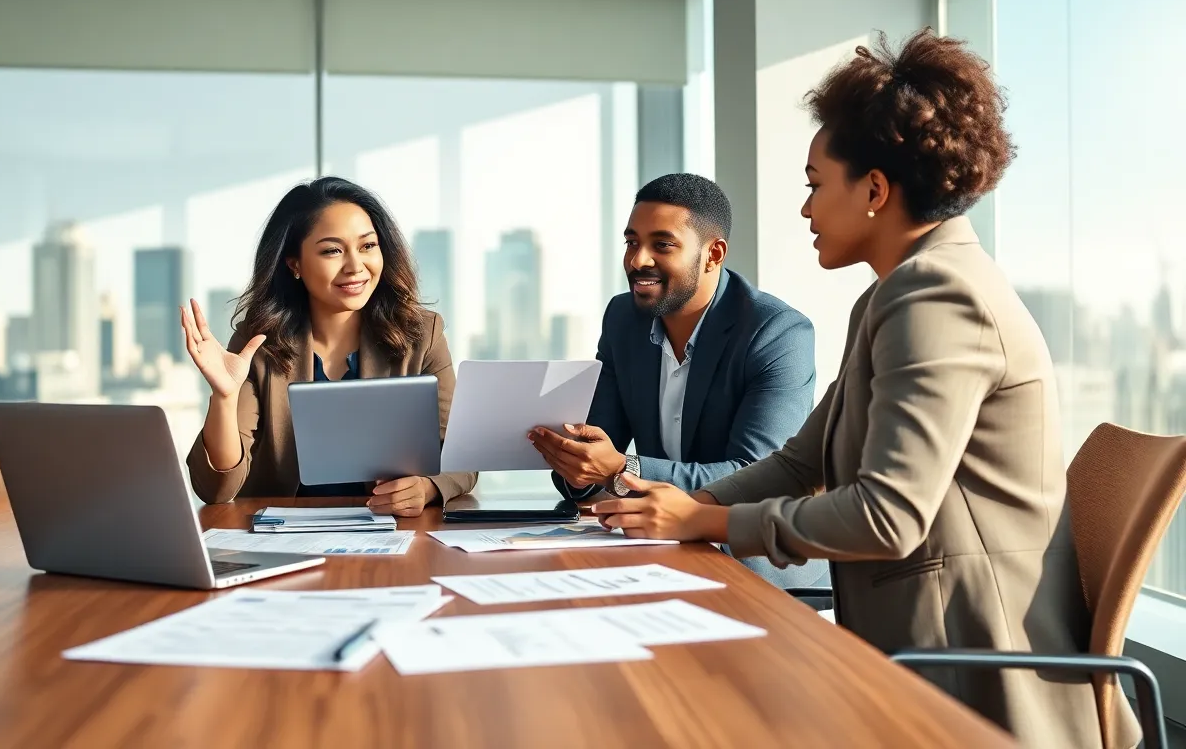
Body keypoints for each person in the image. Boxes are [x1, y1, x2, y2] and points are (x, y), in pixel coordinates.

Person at [589, 30, 1131, 748]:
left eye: (816, 184)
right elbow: (798, 462)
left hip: (968, 683)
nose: (806, 209)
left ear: (874, 189)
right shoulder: (893, 295)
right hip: (912, 649)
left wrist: (704, 524)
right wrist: (696, 501)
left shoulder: (938, 297)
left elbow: (887, 516)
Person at [529, 172, 827, 590]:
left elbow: (755, 476)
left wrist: (622, 469)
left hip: (759, 572)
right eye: (632, 242)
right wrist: (577, 468)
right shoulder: (623, 320)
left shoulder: (777, 333)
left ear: (713, 254)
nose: (637, 260)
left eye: (662, 245)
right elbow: (597, 447)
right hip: (661, 554)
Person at [183, 176, 476, 515]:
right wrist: (224, 397)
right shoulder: (259, 342)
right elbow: (216, 489)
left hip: (394, 534)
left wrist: (426, 488)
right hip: (285, 539)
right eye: (332, 251)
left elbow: (461, 456)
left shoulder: (421, 334)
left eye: (367, 246)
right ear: (295, 264)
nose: (356, 267)